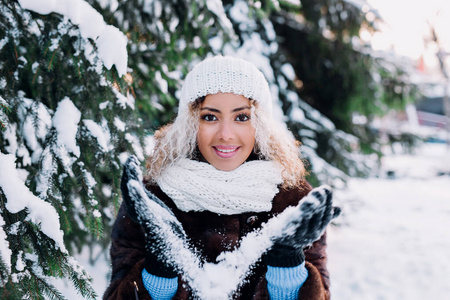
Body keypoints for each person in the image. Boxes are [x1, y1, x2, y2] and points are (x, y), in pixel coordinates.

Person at [103, 55, 340, 300]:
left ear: (260, 124)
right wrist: (160, 269)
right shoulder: (152, 200)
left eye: (241, 117)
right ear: (190, 122)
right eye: (210, 117)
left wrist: (287, 264)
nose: (226, 134)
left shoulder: (293, 200)